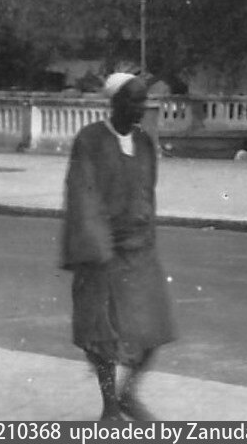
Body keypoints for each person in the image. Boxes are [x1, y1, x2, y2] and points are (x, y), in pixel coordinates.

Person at [60, 73, 176, 422]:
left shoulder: (144, 143)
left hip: (139, 250)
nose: (142, 107)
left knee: (155, 327)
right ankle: (110, 406)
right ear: (114, 102)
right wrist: (97, 249)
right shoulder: (90, 140)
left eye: (144, 100)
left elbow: (147, 193)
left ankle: (128, 394)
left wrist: (147, 234)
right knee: (103, 334)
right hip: (103, 251)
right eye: (134, 100)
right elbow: (81, 194)